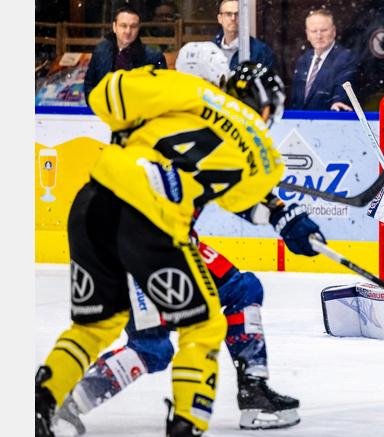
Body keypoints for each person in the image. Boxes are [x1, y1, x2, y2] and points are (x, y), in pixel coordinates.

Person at [35, 51, 325, 436]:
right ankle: (182, 423)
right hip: (152, 226)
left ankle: (41, 405)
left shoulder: (180, 91)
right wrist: (288, 218)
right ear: (267, 107)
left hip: (94, 204)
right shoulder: (262, 151)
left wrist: (130, 129)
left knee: (97, 327)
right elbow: (243, 198)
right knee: (181, 335)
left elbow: (106, 95)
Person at [83, 6, 167, 105]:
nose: (128, 31)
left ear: (138, 28)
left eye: (133, 26)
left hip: (137, 114)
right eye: (123, 25)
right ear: (114, 27)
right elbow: (89, 83)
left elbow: (161, 91)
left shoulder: (153, 56)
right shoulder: (101, 51)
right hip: (103, 113)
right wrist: (96, 107)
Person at [289, 8, 358, 111]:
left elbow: (343, 88)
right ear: (307, 34)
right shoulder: (303, 60)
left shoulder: (345, 58)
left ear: (334, 31)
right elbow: (295, 99)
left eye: (324, 30)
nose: (318, 36)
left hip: (328, 123)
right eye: (314, 31)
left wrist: (339, 102)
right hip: (300, 123)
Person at [213, 0, 275, 70]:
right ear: (220, 19)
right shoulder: (211, 49)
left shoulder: (261, 52)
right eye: (228, 14)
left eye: (237, 14)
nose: (233, 18)